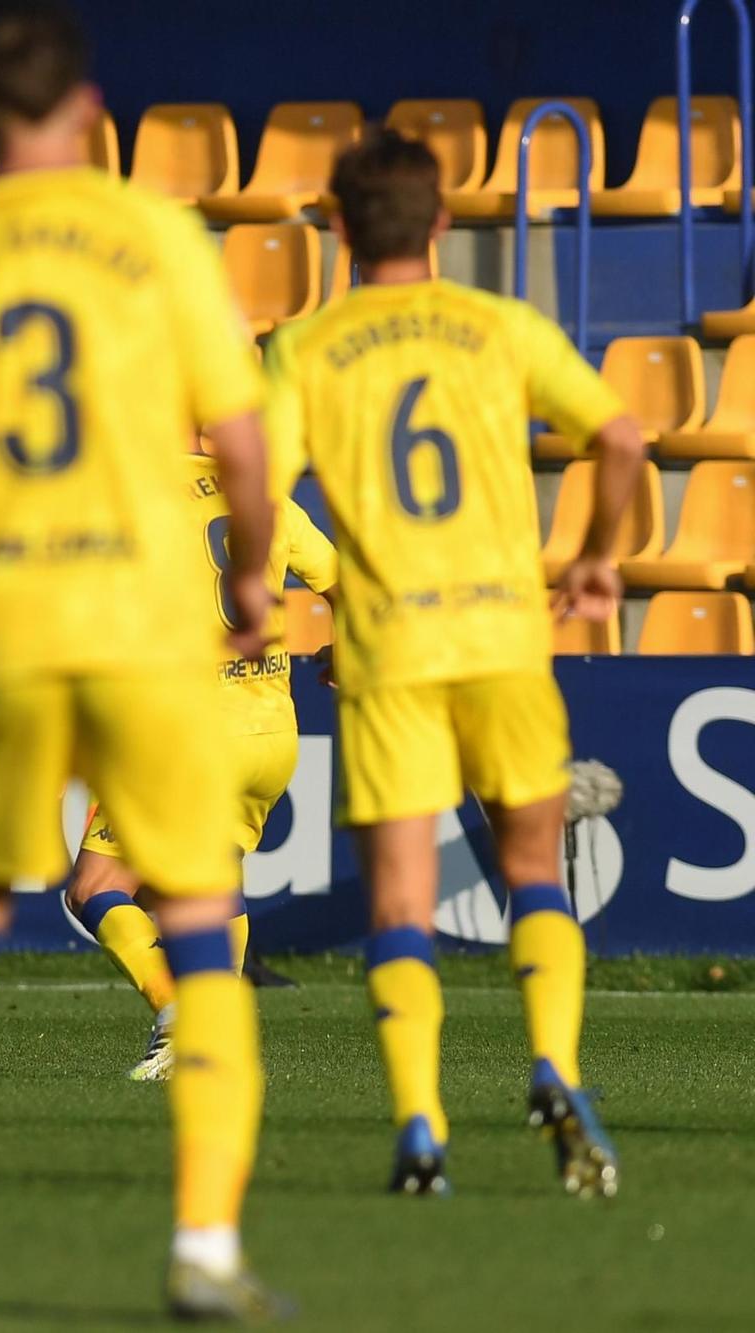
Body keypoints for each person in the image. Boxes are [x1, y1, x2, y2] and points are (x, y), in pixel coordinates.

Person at [0, 2, 290, 1319]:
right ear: (91, 113)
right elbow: (242, 450)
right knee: (199, 919)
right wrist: (249, 576)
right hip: (146, 622)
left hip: (11, 614)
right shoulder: (156, 240)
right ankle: (202, 1243)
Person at [265, 128, 644, 1197]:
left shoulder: (306, 345)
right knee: (530, 867)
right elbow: (617, 437)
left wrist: (256, 588)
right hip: (501, 637)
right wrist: (598, 559)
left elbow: (258, 480)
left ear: (336, 228)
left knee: (399, 898)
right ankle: (553, 1066)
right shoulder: (499, 326)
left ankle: (421, 1126)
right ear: (440, 224)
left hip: (389, 646)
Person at [65, 442, 337, 1081]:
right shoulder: (265, 493)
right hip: (271, 732)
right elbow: (350, 582)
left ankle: (181, 1016)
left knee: (97, 888)